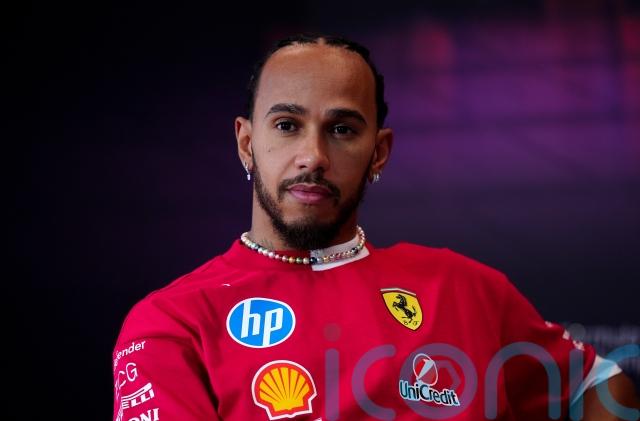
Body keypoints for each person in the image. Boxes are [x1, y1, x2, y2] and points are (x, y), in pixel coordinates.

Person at [112, 33, 638, 421]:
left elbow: (599, 385)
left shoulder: (464, 287)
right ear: (247, 143)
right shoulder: (172, 323)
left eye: (341, 129)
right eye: (287, 125)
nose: (313, 156)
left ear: (379, 152)